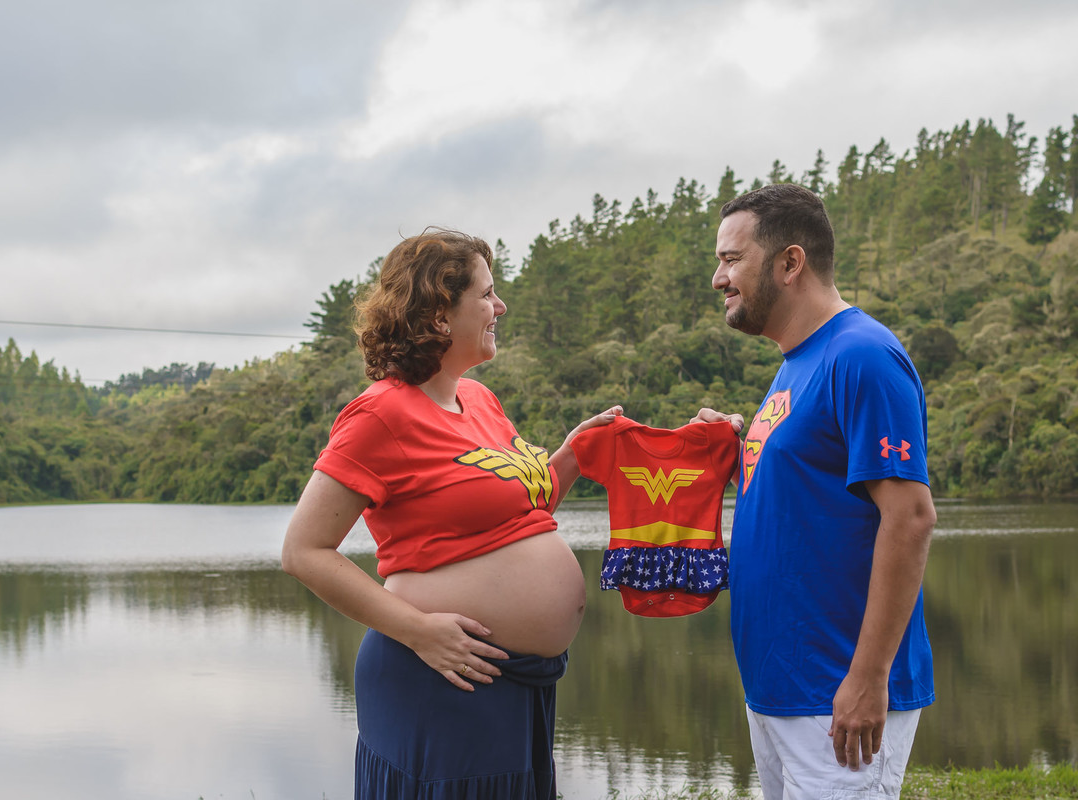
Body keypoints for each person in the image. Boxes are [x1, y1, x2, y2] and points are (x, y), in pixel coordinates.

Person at [281, 228, 621, 799]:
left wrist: (571, 457)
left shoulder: (480, 399)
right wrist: (419, 632)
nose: (500, 306)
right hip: (440, 675)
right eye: (487, 294)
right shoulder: (380, 414)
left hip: (513, 679)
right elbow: (303, 551)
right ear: (440, 314)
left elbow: (516, 518)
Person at [692, 184, 936, 799]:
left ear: (790, 262)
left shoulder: (862, 355)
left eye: (730, 259)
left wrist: (868, 676)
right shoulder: (796, 361)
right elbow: (806, 495)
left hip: (835, 693)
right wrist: (738, 453)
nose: (718, 278)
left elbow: (908, 517)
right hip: (781, 686)